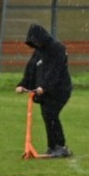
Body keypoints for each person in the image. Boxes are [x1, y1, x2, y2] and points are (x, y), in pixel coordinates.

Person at [15, 23, 73, 158]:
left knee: (51, 114)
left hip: (60, 90)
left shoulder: (58, 49)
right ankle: (52, 146)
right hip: (45, 92)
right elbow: (31, 69)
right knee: (48, 116)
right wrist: (23, 84)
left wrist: (44, 86)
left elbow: (55, 70)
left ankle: (60, 146)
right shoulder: (38, 52)